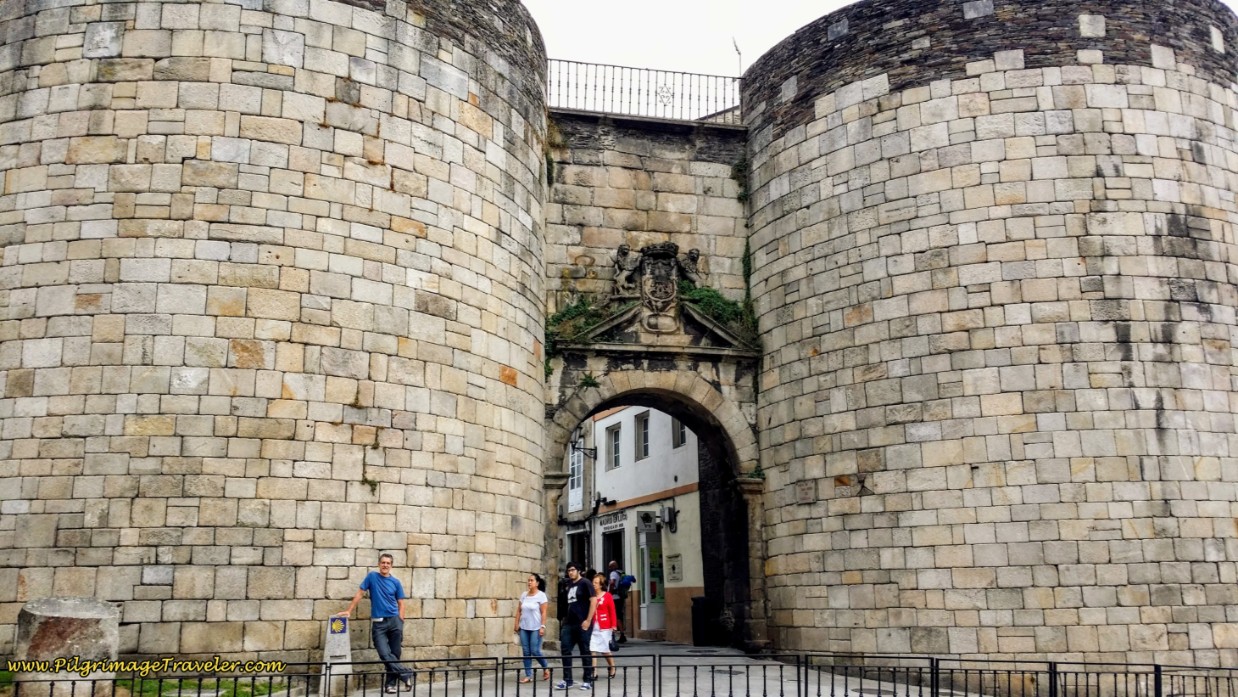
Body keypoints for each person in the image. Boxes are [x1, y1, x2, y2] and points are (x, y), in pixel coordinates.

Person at [336, 553, 413, 694]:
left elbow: (401, 603)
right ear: (379, 564)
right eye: (383, 562)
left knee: (395, 654)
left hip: (395, 621)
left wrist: (400, 620)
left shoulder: (396, 582)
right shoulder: (372, 577)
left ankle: (390, 685)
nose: (385, 565)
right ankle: (406, 674)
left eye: (388, 563)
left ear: (391, 565)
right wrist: (349, 610)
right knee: (384, 654)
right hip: (379, 624)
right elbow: (360, 593)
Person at [555, 561, 595, 691]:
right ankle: (567, 680)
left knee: (585, 651)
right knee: (565, 649)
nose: (570, 572)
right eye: (568, 570)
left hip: (582, 623)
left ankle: (587, 680)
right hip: (569, 623)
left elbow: (593, 601)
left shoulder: (585, 583)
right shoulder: (569, 584)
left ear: (578, 570)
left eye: (572, 570)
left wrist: (588, 620)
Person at [513, 573, 551, 683]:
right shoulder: (524, 595)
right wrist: (516, 623)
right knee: (526, 651)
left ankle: (545, 667)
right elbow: (519, 610)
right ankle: (528, 675)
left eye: (532, 580)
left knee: (534, 650)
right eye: (528, 580)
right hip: (524, 627)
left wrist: (542, 626)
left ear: (537, 583)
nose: (529, 582)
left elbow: (543, 612)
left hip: (536, 627)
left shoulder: (541, 596)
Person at [587, 573, 618, 679]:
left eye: (596, 583)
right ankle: (594, 671)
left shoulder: (607, 596)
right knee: (592, 648)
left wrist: (614, 625)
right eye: (593, 582)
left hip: (605, 626)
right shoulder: (591, 596)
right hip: (593, 626)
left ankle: (612, 666)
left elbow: (612, 611)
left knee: (605, 650)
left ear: (601, 584)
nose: (594, 584)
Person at [606, 561, 627, 643]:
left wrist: (609, 593)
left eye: (610, 566)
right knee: (619, 616)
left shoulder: (613, 573)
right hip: (619, 597)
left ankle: (619, 634)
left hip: (614, 598)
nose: (609, 568)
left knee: (615, 616)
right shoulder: (620, 573)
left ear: (613, 566)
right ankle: (621, 634)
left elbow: (612, 583)